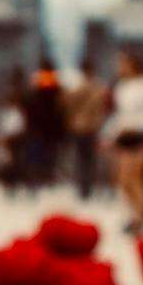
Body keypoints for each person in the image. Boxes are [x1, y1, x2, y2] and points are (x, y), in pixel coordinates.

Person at [104, 51, 143, 232]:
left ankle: (140, 214)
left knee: (135, 177)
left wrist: (138, 127)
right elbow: (120, 114)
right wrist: (111, 135)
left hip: (141, 136)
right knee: (124, 179)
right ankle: (140, 211)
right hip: (124, 137)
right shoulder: (122, 87)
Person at [63, 61, 110, 200]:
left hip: (80, 127)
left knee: (82, 159)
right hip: (94, 126)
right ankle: (90, 186)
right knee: (91, 159)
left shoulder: (78, 88)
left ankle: (83, 188)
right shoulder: (99, 88)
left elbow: (66, 103)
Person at [21, 61, 67, 193]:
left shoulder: (36, 85)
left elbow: (27, 103)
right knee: (49, 155)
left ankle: (36, 178)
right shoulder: (55, 86)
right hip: (51, 128)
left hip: (36, 127)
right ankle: (46, 177)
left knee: (35, 156)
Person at [0, 74, 28, 198]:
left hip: (14, 142)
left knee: (13, 165)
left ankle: (12, 185)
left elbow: (19, 128)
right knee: (8, 164)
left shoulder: (16, 113)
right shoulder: (7, 113)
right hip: (9, 141)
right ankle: (9, 185)